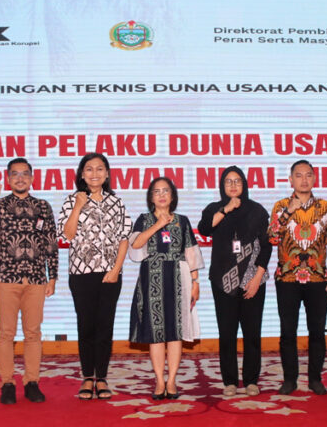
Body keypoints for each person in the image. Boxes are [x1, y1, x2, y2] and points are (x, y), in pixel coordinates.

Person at [57, 153, 131, 400]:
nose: (95, 173)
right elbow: (66, 235)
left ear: (107, 174)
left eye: (100, 169)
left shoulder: (116, 203)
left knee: (105, 326)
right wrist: (79, 206)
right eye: (89, 169)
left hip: (110, 274)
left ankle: (102, 378)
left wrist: (116, 270)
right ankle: (88, 376)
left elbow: (124, 238)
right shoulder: (71, 200)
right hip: (81, 274)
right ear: (81, 174)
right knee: (86, 325)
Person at [0, 157, 58, 405]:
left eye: (25, 173)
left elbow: (50, 243)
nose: (20, 178)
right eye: (15, 174)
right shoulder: (0, 204)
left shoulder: (43, 206)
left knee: (33, 333)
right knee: (6, 333)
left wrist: (53, 276)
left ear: (32, 178)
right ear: (8, 179)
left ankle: (32, 382)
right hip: (7, 277)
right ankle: (7, 383)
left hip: (36, 279)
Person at [268, 160, 327, 395]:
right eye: (298, 176)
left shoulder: (325, 207)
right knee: (287, 332)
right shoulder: (281, 206)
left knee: (317, 332)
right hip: (287, 279)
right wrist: (289, 212)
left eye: (308, 175)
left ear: (314, 178)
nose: (304, 180)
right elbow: (272, 238)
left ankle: (315, 379)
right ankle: (290, 380)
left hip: (318, 279)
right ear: (291, 180)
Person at [198, 166, 272, 397]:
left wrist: (257, 278)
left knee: (252, 333)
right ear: (222, 185)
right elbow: (204, 229)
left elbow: (267, 246)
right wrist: (226, 209)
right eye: (228, 181)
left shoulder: (257, 210)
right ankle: (229, 381)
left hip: (252, 279)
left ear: (244, 184)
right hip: (223, 281)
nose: (233, 185)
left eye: (237, 181)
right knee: (227, 333)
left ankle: (251, 380)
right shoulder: (214, 208)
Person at [129, 177, 204, 400]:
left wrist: (196, 282)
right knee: (156, 333)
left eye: (166, 191)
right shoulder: (144, 219)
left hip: (179, 279)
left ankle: (171, 380)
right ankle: (159, 381)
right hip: (151, 278)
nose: (162, 195)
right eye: (157, 191)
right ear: (151, 197)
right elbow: (135, 244)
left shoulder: (182, 221)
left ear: (173, 195)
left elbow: (190, 253)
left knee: (175, 332)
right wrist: (158, 225)